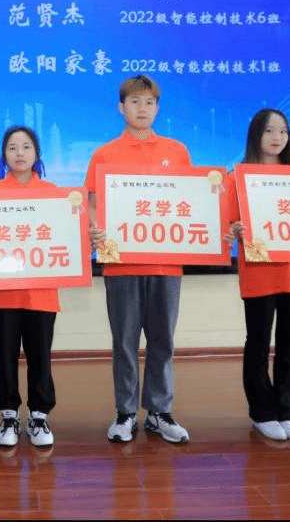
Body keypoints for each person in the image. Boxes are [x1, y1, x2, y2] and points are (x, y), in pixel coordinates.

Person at [86, 74, 192, 444]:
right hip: (121, 265)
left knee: (163, 341)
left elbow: (190, 202)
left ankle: (160, 412)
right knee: (125, 342)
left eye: (149, 102)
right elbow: (92, 204)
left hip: (166, 263)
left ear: (157, 108)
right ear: (121, 107)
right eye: (134, 102)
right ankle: (126, 412)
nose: (142, 108)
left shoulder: (177, 151)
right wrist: (95, 230)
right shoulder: (105, 154)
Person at [228, 109, 290, 442]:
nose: (277, 137)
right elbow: (228, 224)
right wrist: (236, 229)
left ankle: (287, 411)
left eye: (283, 131)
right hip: (260, 271)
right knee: (259, 343)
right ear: (255, 135)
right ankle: (262, 413)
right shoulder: (238, 177)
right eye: (269, 131)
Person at [0, 126, 59, 448]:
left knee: (40, 355)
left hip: (42, 293)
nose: (19, 153)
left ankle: (39, 416)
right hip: (2, 293)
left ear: (37, 153)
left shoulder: (55, 194)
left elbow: (65, 237)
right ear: (4, 155)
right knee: (5, 357)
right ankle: (9, 414)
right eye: (12, 147)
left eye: (26, 147)